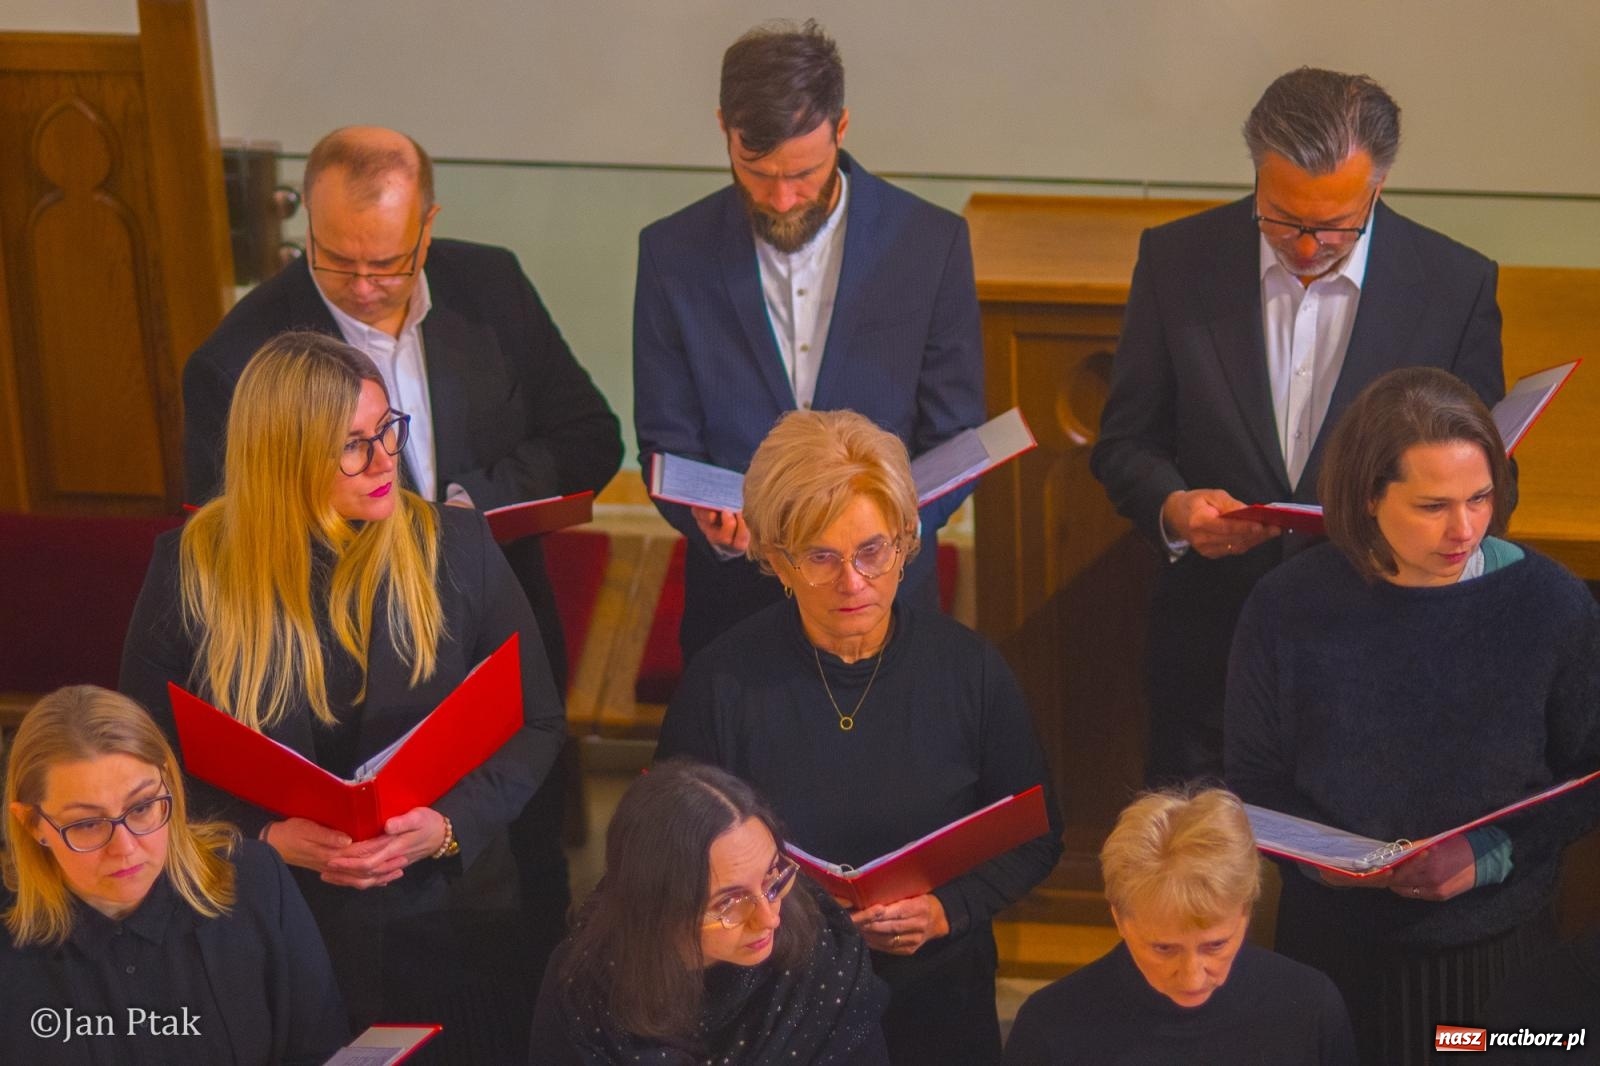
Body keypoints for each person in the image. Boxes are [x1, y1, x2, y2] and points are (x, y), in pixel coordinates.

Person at [183, 125, 623, 967]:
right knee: (357, 921)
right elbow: (228, 544)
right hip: (327, 676)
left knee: (522, 884)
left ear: (429, 222)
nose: (362, 285)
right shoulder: (237, 358)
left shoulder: (490, 284)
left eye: (388, 262)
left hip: (492, 625)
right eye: (335, 259)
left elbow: (589, 434)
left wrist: (453, 515)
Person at [121, 332, 566, 1064]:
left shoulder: (455, 546)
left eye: (388, 428)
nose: (387, 458)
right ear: (285, 457)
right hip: (267, 921)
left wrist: (447, 825)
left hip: (441, 917)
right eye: (354, 444)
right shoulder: (189, 569)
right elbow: (139, 767)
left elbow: (537, 721)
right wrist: (263, 839)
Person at [1090, 67, 1506, 785]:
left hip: (1382, 649)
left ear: (1379, 187)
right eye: (1283, 218)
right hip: (1212, 653)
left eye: (1336, 225)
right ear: (1255, 174)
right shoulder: (1177, 261)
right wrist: (1175, 510)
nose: (1308, 247)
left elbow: (1496, 480)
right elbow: (1126, 442)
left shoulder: (1452, 286)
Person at [656, 409, 1062, 1065]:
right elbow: (668, 858)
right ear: (776, 561)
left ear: (906, 542)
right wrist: (766, 918)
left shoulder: (969, 670)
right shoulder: (721, 683)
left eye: (873, 551)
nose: (853, 582)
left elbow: (1038, 833)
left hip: (937, 996)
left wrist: (945, 909)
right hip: (770, 1004)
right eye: (820, 556)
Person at [1225, 367, 1600, 1065]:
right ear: (1369, 498)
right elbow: (1252, 778)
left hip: (1496, 952)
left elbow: (1586, 777)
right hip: (1331, 948)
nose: (1464, 528)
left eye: (1481, 498)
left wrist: (1489, 855)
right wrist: (1321, 859)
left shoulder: (1552, 605)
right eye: (1432, 506)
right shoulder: (1286, 605)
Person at [633, 19, 984, 661]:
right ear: (724, 129)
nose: (783, 197)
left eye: (805, 172)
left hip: (884, 598)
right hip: (736, 603)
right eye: (757, 171)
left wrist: (880, 541)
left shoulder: (928, 245)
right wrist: (708, 524)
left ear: (841, 128)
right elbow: (665, 436)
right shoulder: (670, 253)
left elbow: (954, 434)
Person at [2, 685, 348, 1065]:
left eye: (143, 807)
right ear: (32, 823)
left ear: (169, 784)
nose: (126, 847)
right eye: (86, 824)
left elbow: (322, 1054)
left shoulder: (256, 882)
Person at [530, 759, 890, 1064]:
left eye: (772, 879)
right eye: (730, 903)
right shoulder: (584, 989)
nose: (769, 918)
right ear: (658, 909)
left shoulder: (825, 958)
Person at [1004, 788, 1356, 1065]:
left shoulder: (1309, 1008)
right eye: (1163, 948)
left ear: (1246, 911)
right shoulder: (1051, 1028)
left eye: (1215, 945)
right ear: (1119, 918)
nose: (1192, 977)